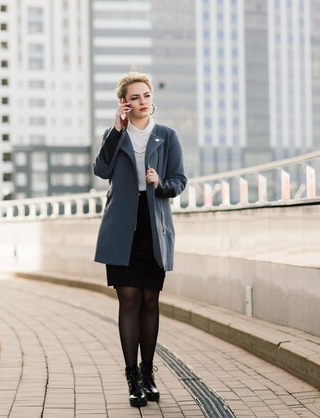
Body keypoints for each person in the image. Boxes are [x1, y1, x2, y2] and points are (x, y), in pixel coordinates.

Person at [93, 71, 187, 407]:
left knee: (150, 301)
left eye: (146, 95)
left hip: (153, 226)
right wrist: (116, 131)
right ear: (124, 103)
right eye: (134, 97)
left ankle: (148, 373)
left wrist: (160, 183)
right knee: (128, 300)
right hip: (121, 228)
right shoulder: (114, 135)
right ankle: (132, 377)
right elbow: (101, 170)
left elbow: (180, 180)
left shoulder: (166, 136)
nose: (142, 102)